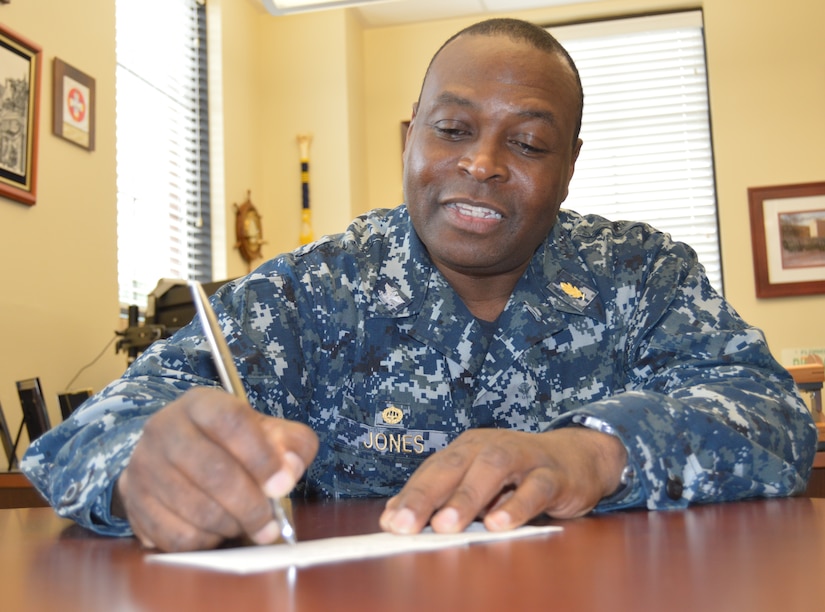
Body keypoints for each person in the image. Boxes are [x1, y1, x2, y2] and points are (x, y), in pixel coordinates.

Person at [22, 18, 817, 552]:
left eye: (530, 142)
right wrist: (140, 469)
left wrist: (592, 453)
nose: (481, 163)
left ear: (568, 168)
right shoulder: (310, 292)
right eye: (452, 129)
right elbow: (94, 431)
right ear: (410, 141)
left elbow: (775, 418)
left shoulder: (643, 274)